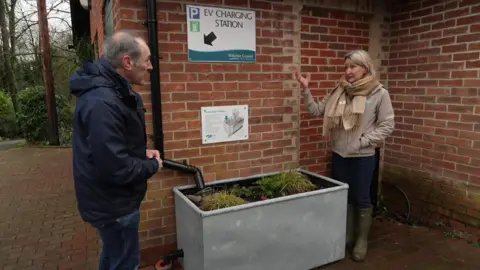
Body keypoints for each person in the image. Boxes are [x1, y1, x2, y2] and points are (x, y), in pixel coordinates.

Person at [70, 31, 163, 269]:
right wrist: (151, 165)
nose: (150, 66)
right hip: (114, 204)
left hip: (110, 201)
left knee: (114, 257)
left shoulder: (111, 92)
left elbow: (109, 148)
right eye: (147, 59)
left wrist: (141, 153)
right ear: (128, 62)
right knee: (124, 263)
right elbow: (115, 167)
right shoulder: (103, 101)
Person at [296, 49, 394, 262]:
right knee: (344, 196)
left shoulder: (378, 93)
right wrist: (306, 89)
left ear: (365, 68)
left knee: (361, 196)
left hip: (363, 157)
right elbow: (316, 111)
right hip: (339, 154)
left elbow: (387, 125)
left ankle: (362, 240)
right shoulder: (339, 90)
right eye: (346, 67)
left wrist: (363, 142)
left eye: (353, 66)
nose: (348, 71)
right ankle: (348, 234)